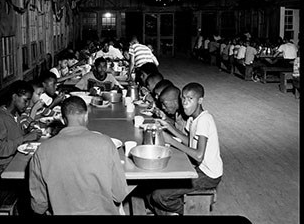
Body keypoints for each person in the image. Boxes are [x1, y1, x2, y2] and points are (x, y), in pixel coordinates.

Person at [28, 96, 130, 215]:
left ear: (63, 119)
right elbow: (120, 195)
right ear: (86, 116)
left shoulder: (42, 151)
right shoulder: (106, 143)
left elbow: (38, 206)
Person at [145, 82, 223, 215]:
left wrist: (171, 141)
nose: (185, 103)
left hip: (208, 174)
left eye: (190, 99)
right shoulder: (193, 119)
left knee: (159, 196)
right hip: (199, 168)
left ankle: (195, 212)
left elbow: (199, 155)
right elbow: (189, 141)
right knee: (151, 188)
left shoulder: (204, 120)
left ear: (200, 100)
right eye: (183, 98)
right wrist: (168, 127)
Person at [0, 80, 42, 170]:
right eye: (25, 100)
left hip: (16, 158)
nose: (28, 104)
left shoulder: (16, 115)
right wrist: (25, 138)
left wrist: (26, 131)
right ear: (14, 97)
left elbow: (13, 136)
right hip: (4, 165)